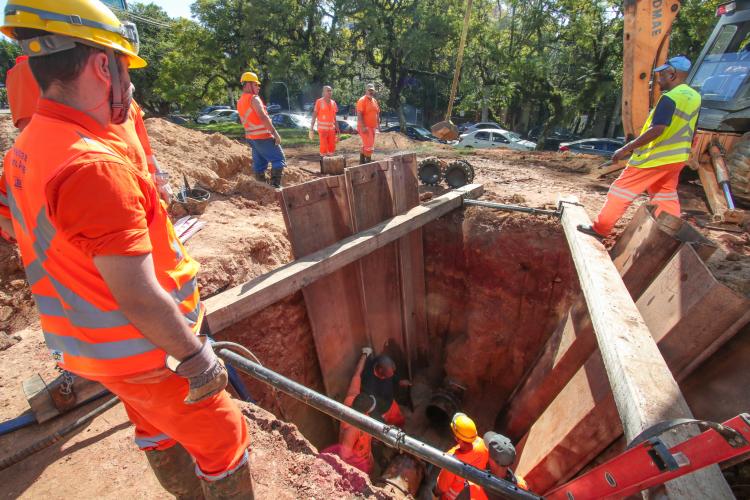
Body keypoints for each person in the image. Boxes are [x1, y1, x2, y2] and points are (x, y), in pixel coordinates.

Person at [0, 1, 252, 497]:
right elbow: (137, 292)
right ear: (100, 65)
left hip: (98, 350)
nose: (130, 83)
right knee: (224, 439)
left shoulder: (29, 147)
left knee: (155, 425)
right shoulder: (92, 165)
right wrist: (196, 357)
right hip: (150, 351)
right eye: (124, 68)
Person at [578, 56, 702, 240]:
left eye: (661, 75)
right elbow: (693, 129)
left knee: (620, 191)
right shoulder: (695, 97)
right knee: (665, 196)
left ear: (672, 74)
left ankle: (600, 229)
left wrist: (625, 149)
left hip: (654, 158)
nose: (658, 80)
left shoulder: (669, 98)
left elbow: (658, 129)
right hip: (676, 159)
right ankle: (670, 235)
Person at [320, 347, 377, 474]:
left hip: (365, 457)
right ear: (365, 412)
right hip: (357, 467)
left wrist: (365, 355)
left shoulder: (351, 399)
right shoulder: (353, 429)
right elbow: (344, 456)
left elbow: (357, 374)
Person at [237, 71, 286, 188]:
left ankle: (262, 186)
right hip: (263, 137)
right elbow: (262, 116)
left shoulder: (240, 101)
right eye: (256, 84)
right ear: (248, 85)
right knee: (279, 159)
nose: (258, 87)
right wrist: (275, 133)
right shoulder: (254, 99)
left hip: (251, 138)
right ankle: (275, 186)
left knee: (259, 165)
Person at [433, 413, 490, 500]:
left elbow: (440, 489)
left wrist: (434, 495)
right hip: (473, 495)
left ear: (457, 438)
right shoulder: (482, 444)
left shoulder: (451, 460)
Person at [360, 353, 410, 427]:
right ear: (380, 370)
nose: (391, 376)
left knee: (399, 420)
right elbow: (371, 406)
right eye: (388, 374)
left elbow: (392, 376)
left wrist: (399, 381)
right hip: (383, 411)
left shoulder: (379, 362)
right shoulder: (369, 383)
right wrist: (382, 422)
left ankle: (401, 428)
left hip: (391, 403)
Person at [310, 85, 340, 160]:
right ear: (323, 92)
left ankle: (330, 165)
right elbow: (314, 115)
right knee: (323, 148)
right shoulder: (319, 102)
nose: (330, 92)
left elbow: (334, 117)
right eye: (328, 90)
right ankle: (323, 167)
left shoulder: (333, 103)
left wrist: (338, 129)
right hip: (322, 130)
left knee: (332, 148)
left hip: (331, 130)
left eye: (330, 90)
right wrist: (311, 128)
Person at [356, 83, 380, 164]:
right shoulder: (362, 100)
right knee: (369, 147)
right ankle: (368, 165)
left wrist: (378, 126)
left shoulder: (374, 101)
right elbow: (359, 114)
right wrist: (363, 127)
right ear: (366, 90)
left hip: (372, 127)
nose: (371, 92)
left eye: (372, 90)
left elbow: (377, 113)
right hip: (365, 127)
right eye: (369, 90)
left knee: (366, 146)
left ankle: (361, 163)